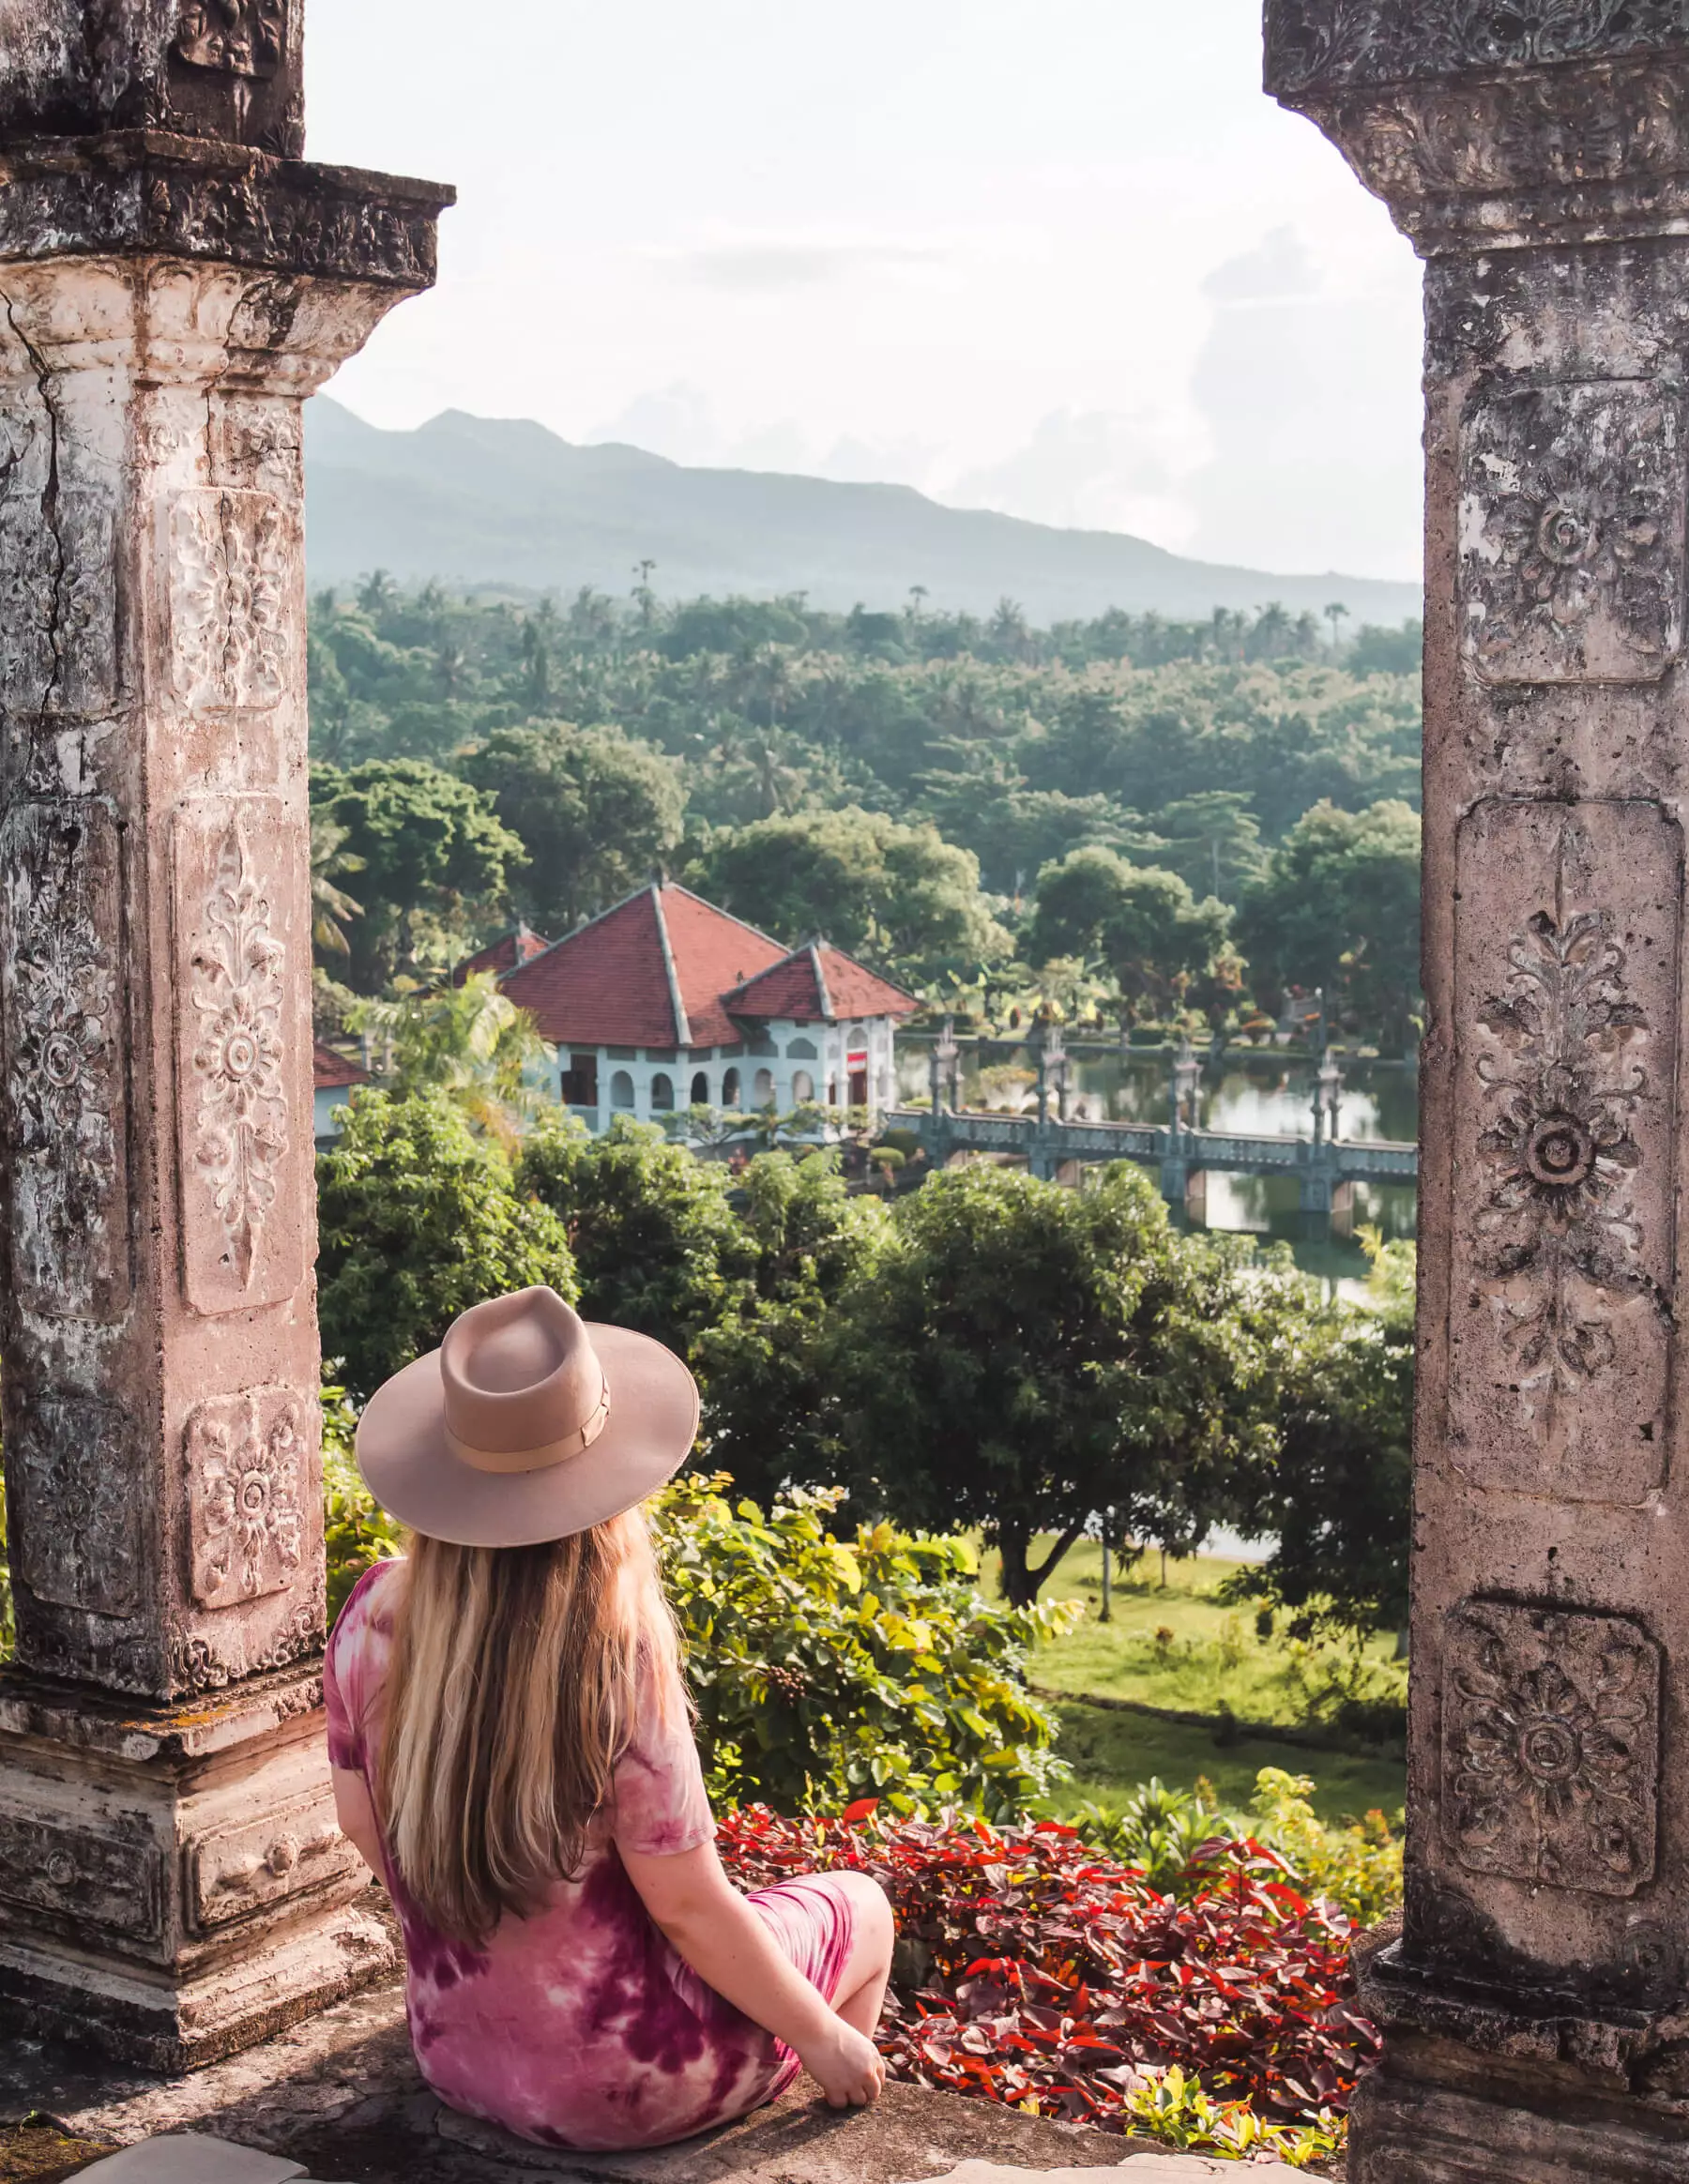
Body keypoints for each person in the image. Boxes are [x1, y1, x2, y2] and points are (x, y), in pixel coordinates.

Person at [327, 1285, 893, 2152]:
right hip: (631, 2085)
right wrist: (826, 2041)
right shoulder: (614, 1658)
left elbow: (363, 1827)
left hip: (457, 2056)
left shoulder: (373, 1616)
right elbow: (690, 1910)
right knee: (863, 1905)